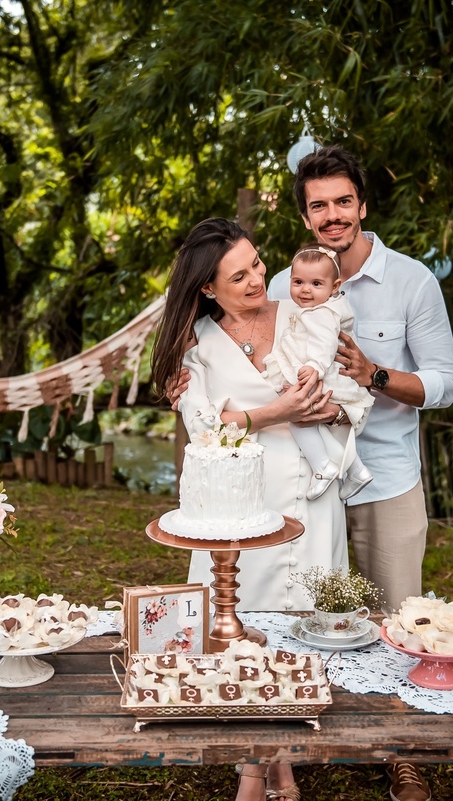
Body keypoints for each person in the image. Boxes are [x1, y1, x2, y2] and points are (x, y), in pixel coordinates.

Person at [267, 144, 453, 801]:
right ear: (305, 215)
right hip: (303, 476)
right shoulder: (281, 285)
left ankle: (399, 749)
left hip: (385, 473)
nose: (332, 215)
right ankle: (286, 745)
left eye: (342, 201)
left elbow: (445, 382)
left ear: (363, 205)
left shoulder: (411, 282)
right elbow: (241, 347)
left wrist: (371, 374)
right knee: (292, 608)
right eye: (318, 205)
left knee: (396, 616)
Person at [153, 217, 348, 801]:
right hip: (241, 502)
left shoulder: (306, 314)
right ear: (208, 288)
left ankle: (282, 750)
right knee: (243, 621)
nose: (260, 278)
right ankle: (252, 764)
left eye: (259, 264)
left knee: (305, 619)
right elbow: (204, 425)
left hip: (312, 494)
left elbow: (350, 396)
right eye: (239, 276)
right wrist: (278, 412)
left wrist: (331, 410)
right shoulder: (199, 346)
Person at [263, 244, 374, 501]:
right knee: (322, 428)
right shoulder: (320, 308)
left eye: (315, 284)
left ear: (334, 287)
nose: (305, 289)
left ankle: (323, 467)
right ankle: (356, 469)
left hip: (322, 374)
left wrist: (314, 366)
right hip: (321, 373)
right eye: (298, 281)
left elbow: (325, 345)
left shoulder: (323, 314)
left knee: (297, 418)